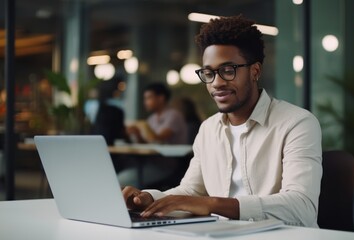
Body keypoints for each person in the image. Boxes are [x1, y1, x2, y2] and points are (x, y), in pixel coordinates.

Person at [122, 15, 322, 227]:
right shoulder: (209, 129)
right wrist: (150, 199)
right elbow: (191, 191)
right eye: (209, 73)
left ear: (255, 71)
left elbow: (302, 208)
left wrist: (212, 204)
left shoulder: (297, 123)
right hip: (221, 234)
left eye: (228, 71)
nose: (216, 83)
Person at [118, 83, 188, 187]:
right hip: (150, 163)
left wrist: (142, 126)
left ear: (161, 98)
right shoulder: (152, 118)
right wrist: (137, 134)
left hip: (167, 166)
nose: (145, 102)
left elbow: (158, 139)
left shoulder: (174, 115)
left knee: (120, 181)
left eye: (148, 98)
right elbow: (147, 143)